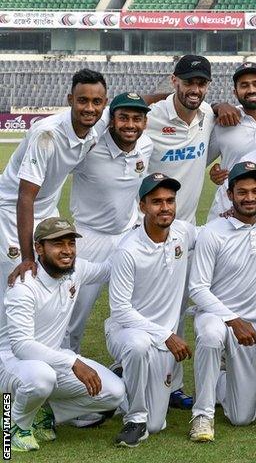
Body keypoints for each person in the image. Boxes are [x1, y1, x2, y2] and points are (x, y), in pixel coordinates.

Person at [0, 217, 124, 453]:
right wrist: (72, 361)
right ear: (39, 248)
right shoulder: (23, 286)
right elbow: (21, 346)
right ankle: (16, 425)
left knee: (114, 393)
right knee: (41, 377)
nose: (67, 251)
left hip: (52, 360)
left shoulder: (76, 270)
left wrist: (137, 233)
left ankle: (45, 413)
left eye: (71, 243)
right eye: (58, 244)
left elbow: (109, 268)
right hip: (11, 364)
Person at [188, 162, 256, 442]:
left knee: (241, 417)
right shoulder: (213, 231)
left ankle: (221, 380)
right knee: (210, 335)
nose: (250, 198)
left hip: (254, 325)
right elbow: (197, 288)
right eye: (242, 192)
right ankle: (202, 414)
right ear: (229, 195)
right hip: (216, 316)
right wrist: (232, 319)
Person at [105, 173, 195, 447]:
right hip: (127, 333)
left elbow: (215, 235)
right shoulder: (128, 251)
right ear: (142, 206)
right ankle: (134, 420)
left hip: (161, 341)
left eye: (170, 200)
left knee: (158, 424)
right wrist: (166, 335)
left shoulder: (183, 231)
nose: (165, 207)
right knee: (138, 345)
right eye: (156, 202)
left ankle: (120, 379)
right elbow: (120, 310)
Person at [0, 69, 105, 299]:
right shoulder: (46, 135)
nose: (89, 108)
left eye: (96, 101)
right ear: (70, 100)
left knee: (50, 283)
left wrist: (170, 97)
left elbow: (129, 101)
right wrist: (27, 257)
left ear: (104, 103)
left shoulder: (95, 126)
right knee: (17, 287)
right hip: (12, 212)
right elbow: (25, 196)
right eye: (82, 101)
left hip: (47, 212)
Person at [65, 92, 153, 354]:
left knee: (135, 308)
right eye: (123, 117)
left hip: (127, 238)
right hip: (89, 238)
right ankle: (65, 371)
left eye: (137, 119)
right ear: (110, 120)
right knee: (74, 312)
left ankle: (127, 363)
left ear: (144, 124)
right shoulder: (89, 147)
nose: (130, 124)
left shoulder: (145, 146)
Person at [144, 55, 216, 225]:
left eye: (201, 84)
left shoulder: (208, 114)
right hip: (147, 226)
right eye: (188, 82)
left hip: (186, 228)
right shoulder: (150, 117)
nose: (195, 90)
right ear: (174, 81)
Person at [205, 63, 256, 222]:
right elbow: (199, 159)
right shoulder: (223, 121)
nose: (251, 90)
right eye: (244, 85)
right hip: (227, 211)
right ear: (235, 92)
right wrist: (214, 173)